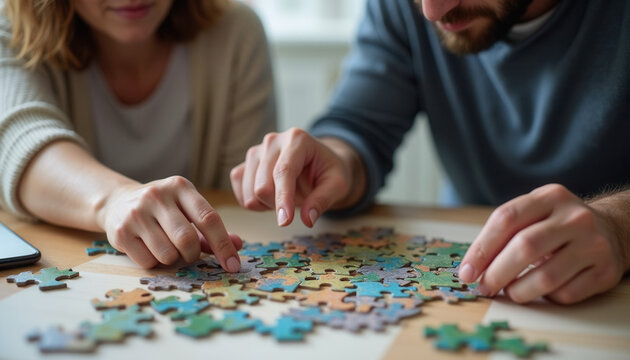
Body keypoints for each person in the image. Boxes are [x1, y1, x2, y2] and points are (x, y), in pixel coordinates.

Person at [231, 0, 630, 304]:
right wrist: (335, 159)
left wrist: (619, 228)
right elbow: (360, 125)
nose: (430, 11)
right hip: (466, 280)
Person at [0, 0, 276, 272]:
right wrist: (115, 201)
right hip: (79, 268)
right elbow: (18, 139)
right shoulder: (12, 31)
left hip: (196, 275)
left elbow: (244, 198)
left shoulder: (237, 30)